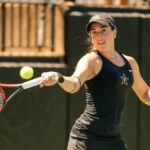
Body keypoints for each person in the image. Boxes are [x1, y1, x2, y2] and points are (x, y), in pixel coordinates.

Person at [39, 13, 150, 150]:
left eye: (103, 30)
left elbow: (145, 93)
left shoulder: (130, 63)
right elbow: (74, 84)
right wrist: (59, 78)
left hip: (114, 140)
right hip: (86, 139)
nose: (99, 36)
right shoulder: (91, 61)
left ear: (114, 32)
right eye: (94, 32)